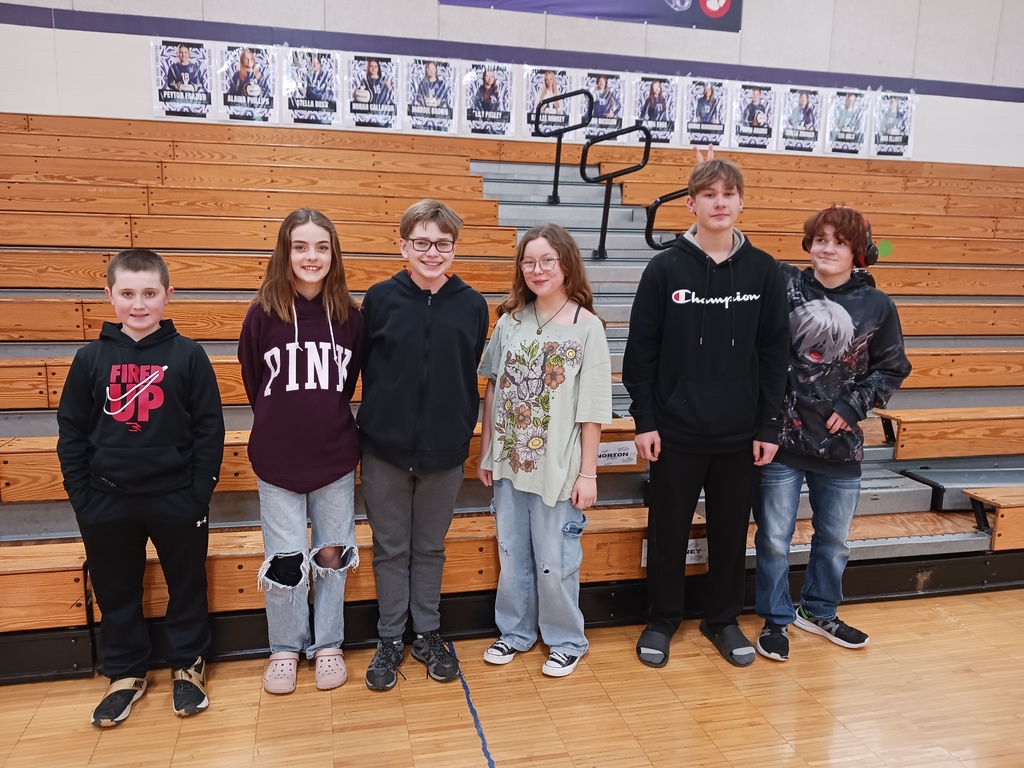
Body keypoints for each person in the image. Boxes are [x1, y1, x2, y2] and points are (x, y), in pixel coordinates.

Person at [621, 157, 790, 669]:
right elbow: (640, 352)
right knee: (668, 529)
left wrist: (768, 425)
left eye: (729, 193)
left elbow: (773, 354)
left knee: (729, 531)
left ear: (741, 202)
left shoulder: (764, 271)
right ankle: (662, 619)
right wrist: (645, 419)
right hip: (674, 431)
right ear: (690, 203)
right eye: (709, 194)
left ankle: (723, 619)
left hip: (740, 434)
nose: (720, 202)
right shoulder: (664, 268)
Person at [56, 249, 225, 727]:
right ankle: (126, 674)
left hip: (176, 497)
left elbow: (209, 429)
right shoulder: (90, 359)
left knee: (186, 585)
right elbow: (71, 430)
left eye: (149, 293)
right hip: (106, 499)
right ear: (108, 295)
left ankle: (188, 665)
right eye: (127, 294)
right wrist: (82, 498)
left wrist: (197, 493)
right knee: (117, 590)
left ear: (168, 296)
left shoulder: (189, 356)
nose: (138, 304)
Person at [753, 206, 911, 662]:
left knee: (835, 540)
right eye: (820, 239)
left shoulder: (878, 306)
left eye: (838, 242)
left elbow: (892, 369)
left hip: (840, 448)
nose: (826, 248)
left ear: (858, 253)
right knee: (773, 537)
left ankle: (819, 610)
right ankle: (776, 619)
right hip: (780, 441)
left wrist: (852, 404)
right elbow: (731, 248)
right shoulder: (784, 285)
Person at [357, 200, 489, 691]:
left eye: (442, 244)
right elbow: (368, 366)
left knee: (429, 548)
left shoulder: (473, 305)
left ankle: (427, 633)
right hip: (384, 451)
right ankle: (390, 638)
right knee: (391, 549)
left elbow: (467, 364)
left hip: (444, 452)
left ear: (454, 248)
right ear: (403, 246)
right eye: (421, 243)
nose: (432, 252)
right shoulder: (380, 299)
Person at [477, 223, 612, 678]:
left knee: (555, 559)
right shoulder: (510, 320)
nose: (537, 270)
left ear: (566, 265)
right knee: (512, 552)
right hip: (510, 462)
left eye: (547, 261)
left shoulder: (588, 327)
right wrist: (485, 451)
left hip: (559, 467)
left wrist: (588, 473)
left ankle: (566, 639)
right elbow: (493, 388)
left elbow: (592, 409)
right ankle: (515, 632)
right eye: (529, 261)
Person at [238, 209, 363, 695]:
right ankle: (285, 649)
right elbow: (254, 382)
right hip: (276, 460)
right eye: (300, 247)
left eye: (321, 247)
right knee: (286, 559)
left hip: (333, 458)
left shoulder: (350, 318)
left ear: (334, 254)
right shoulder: (262, 314)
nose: (311, 257)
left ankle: (328, 644)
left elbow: (348, 385)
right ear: (284, 252)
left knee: (331, 554)